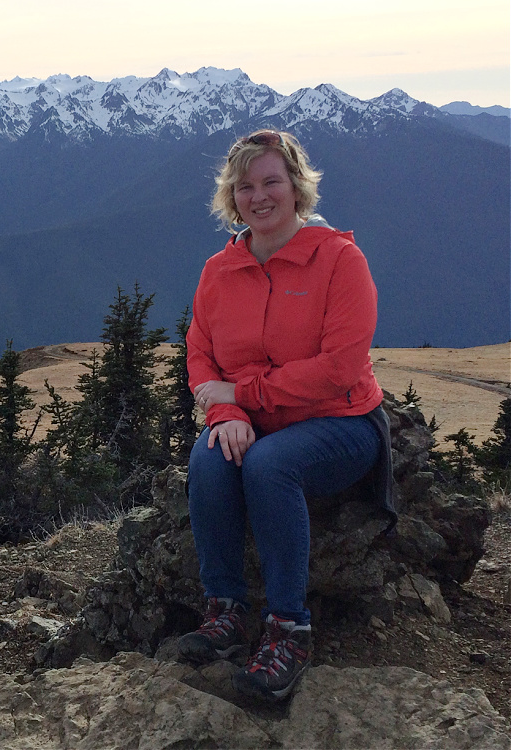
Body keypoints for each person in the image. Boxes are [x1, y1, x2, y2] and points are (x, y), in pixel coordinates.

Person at [175, 129, 395, 702]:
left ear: (297, 187)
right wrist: (224, 410)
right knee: (211, 458)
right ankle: (225, 613)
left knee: (268, 465)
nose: (259, 196)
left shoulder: (340, 261)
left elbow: (341, 368)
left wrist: (244, 393)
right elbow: (199, 353)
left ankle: (288, 631)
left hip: (342, 423)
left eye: (272, 181)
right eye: (244, 186)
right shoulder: (218, 271)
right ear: (232, 196)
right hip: (256, 414)